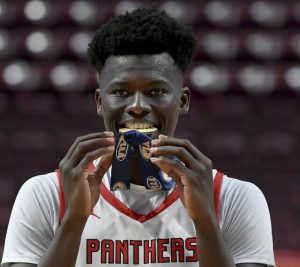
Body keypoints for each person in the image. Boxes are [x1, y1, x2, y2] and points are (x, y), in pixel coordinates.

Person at [1, 7, 275, 267]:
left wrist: (205, 221)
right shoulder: (47, 194)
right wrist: (74, 219)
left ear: (182, 100)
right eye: (120, 92)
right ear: (100, 102)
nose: (138, 105)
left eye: (156, 91)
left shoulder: (235, 197)